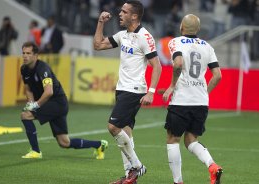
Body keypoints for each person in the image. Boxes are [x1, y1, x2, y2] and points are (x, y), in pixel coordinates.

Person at [93, 1, 162, 183]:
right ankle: (129, 176)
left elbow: (157, 66)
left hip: (134, 90)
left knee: (113, 127)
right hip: (122, 89)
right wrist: (100, 23)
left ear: (134, 16)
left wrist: (151, 92)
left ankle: (138, 167)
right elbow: (98, 45)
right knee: (126, 131)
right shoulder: (123, 35)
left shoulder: (144, 37)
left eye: (124, 12)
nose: (120, 14)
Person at [20, 42, 108, 159]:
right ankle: (99, 145)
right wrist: (31, 102)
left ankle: (36, 151)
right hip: (51, 104)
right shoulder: (24, 69)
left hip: (57, 102)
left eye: (28, 53)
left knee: (25, 115)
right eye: (23, 53)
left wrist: (35, 105)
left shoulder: (43, 68)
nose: (25, 56)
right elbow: (28, 89)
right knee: (64, 142)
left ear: (36, 55)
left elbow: (49, 92)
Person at [162, 14, 223, 184]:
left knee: (173, 139)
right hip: (200, 102)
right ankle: (212, 166)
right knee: (191, 140)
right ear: (198, 29)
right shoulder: (207, 46)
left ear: (181, 27)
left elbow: (178, 63)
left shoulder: (176, 42)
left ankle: (178, 181)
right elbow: (217, 76)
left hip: (181, 100)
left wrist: (172, 86)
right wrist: (205, 92)